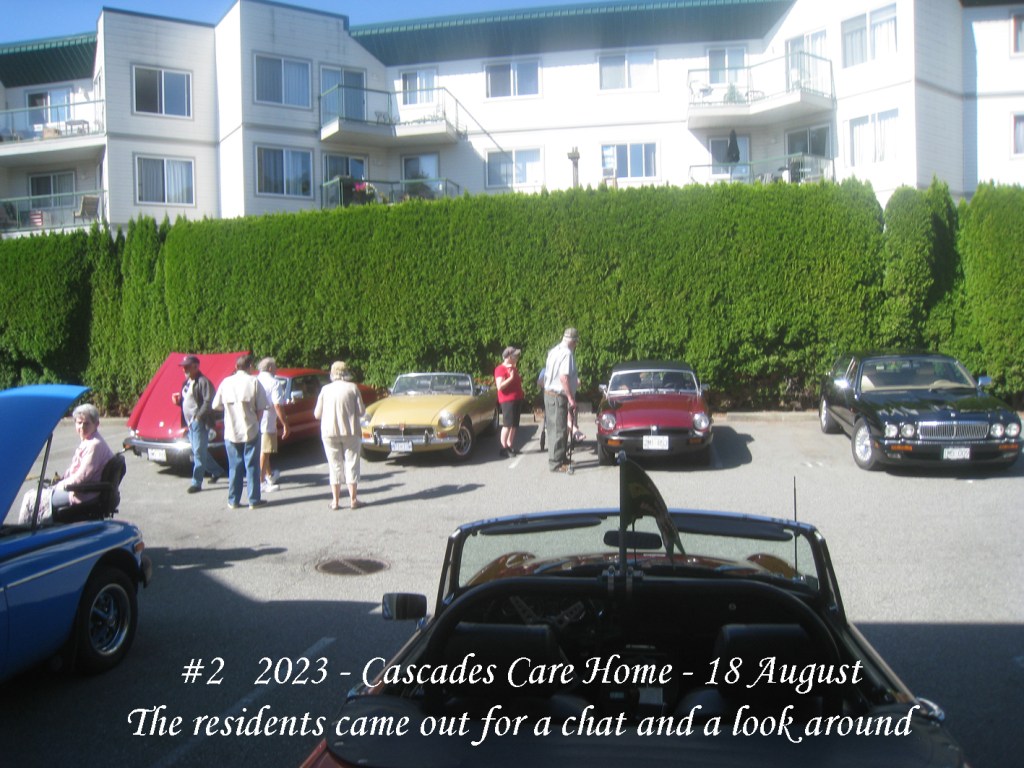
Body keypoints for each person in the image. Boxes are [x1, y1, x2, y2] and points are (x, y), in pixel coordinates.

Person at [19, 403, 114, 525]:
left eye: (86, 423)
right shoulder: (89, 441)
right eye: (79, 423)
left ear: (96, 424)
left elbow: (81, 477)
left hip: (82, 494)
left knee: (32, 498)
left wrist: (59, 486)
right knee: (34, 494)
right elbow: (75, 470)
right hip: (83, 491)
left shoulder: (94, 445)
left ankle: (26, 530)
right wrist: (61, 479)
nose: (82, 427)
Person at [212, 354, 268, 509]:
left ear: (236, 367)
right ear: (250, 367)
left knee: (234, 466)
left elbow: (216, 405)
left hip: (231, 430)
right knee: (252, 465)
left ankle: (233, 500)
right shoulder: (254, 382)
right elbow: (261, 407)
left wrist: (229, 410)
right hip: (250, 428)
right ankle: (253, 500)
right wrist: (255, 420)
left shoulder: (226, 382)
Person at [314, 361, 366, 510]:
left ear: (332, 373)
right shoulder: (352, 388)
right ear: (346, 372)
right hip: (350, 431)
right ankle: (353, 499)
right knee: (352, 463)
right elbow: (361, 411)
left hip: (329, 432)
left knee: (334, 465)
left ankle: (335, 501)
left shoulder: (325, 390)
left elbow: (317, 414)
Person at [173, 354, 225, 494]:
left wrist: (198, 417)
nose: (184, 369)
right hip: (190, 423)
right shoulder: (187, 382)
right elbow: (188, 401)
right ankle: (217, 471)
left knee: (198, 453)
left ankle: (196, 483)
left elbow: (209, 402)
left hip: (199, 423)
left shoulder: (203, 382)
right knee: (199, 451)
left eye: (187, 367)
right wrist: (178, 402)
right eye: (183, 367)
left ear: (196, 367)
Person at [542, 327, 580, 473]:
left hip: (550, 394)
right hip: (558, 396)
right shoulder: (567, 353)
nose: (576, 345)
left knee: (560, 428)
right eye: (576, 342)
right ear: (573, 341)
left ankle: (561, 458)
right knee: (558, 430)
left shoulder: (554, 350)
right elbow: (564, 377)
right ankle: (556, 463)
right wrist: (571, 398)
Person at [256, 357, 289, 493]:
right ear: (270, 368)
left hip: (254, 421)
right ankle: (260, 482)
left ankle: (269, 475)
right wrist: (285, 424)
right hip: (267, 421)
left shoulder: (255, 380)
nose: (276, 369)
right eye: (275, 367)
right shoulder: (274, 383)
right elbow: (277, 405)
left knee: (264, 450)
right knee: (265, 451)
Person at [494, 346, 525, 457]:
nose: (517, 357)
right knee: (507, 425)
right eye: (515, 355)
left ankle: (510, 445)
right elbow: (500, 386)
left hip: (517, 399)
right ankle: (504, 448)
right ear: (509, 357)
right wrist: (511, 378)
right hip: (507, 400)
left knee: (514, 424)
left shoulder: (513, 368)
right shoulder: (500, 369)